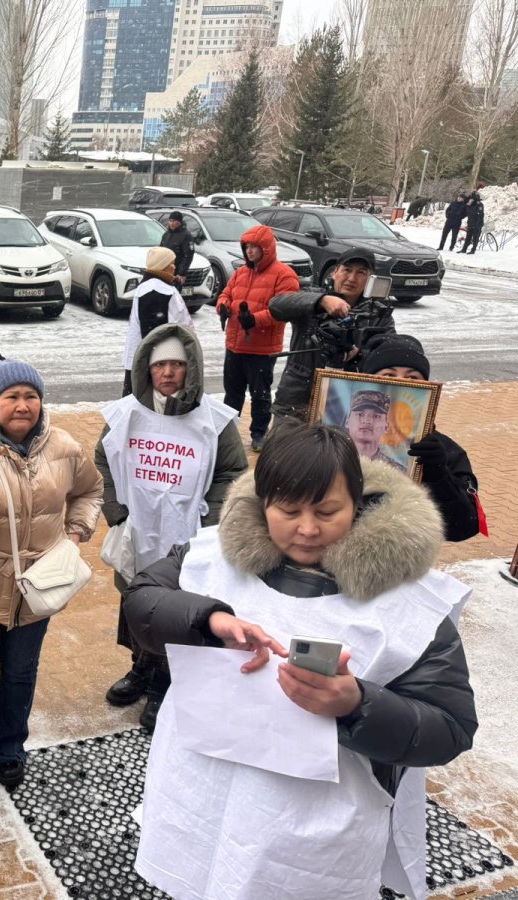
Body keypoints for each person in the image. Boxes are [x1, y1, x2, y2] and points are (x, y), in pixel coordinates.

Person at [124, 423, 476, 900]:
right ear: (263, 502)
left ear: (357, 502)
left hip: (311, 843)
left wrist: (358, 704)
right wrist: (207, 620)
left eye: (328, 511)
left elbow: (450, 727)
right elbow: (142, 601)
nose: (308, 529)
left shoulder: (408, 605)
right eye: (288, 511)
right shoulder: (211, 557)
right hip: (200, 802)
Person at [0, 361, 103, 810]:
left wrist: (74, 534)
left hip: (37, 588)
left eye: (31, 395)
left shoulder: (65, 446)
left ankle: (9, 750)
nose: (23, 405)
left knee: (19, 675)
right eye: (11, 396)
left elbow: (91, 490)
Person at [97, 324, 247, 730]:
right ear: (148, 367)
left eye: (177, 365)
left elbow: (233, 472)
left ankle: (165, 680)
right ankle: (140, 668)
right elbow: (102, 463)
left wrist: (210, 520)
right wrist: (117, 510)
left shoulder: (213, 420)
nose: (167, 373)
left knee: (179, 607)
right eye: (160, 364)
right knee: (137, 600)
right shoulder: (126, 414)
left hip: (188, 532)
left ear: (191, 369)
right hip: (137, 527)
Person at [363, 334, 482, 541]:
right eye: (389, 376)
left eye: (412, 378)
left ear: (425, 388)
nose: (400, 384)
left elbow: (464, 527)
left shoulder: (443, 449)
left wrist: (438, 476)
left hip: (402, 561)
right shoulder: (340, 437)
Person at [269, 248, 395, 421]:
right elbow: (276, 305)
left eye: (361, 273)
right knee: (284, 447)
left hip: (346, 404)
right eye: (347, 270)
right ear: (335, 273)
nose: (351, 278)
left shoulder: (377, 314)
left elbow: (389, 354)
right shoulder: (311, 298)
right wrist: (321, 301)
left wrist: (358, 354)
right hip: (296, 399)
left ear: (371, 279)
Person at [214, 224, 300, 451]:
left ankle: (259, 434)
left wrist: (255, 320)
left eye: (254, 247)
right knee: (232, 393)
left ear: (267, 248)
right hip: (234, 345)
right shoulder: (241, 273)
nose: (250, 251)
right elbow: (225, 294)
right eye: (247, 247)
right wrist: (222, 306)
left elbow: (284, 309)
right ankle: (227, 433)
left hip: (261, 348)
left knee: (260, 395)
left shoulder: (284, 275)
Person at [121, 246, 193, 396]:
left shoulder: (161, 286)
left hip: (160, 359)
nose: (175, 267)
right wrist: (160, 361)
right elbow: (153, 333)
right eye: (171, 264)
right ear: (162, 266)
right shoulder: (154, 290)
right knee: (147, 403)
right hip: (156, 360)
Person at [343, 389, 404, 470]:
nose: (367, 421)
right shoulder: (328, 461)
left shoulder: (398, 472)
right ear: (347, 422)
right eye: (360, 414)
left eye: (376, 416)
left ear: (386, 426)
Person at [159, 211, 194, 289]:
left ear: (180, 222)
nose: (172, 223)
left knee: (174, 296)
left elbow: (188, 256)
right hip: (165, 271)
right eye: (170, 221)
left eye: (174, 221)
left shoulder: (186, 236)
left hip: (177, 272)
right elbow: (160, 252)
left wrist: (181, 273)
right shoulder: (166, 235)